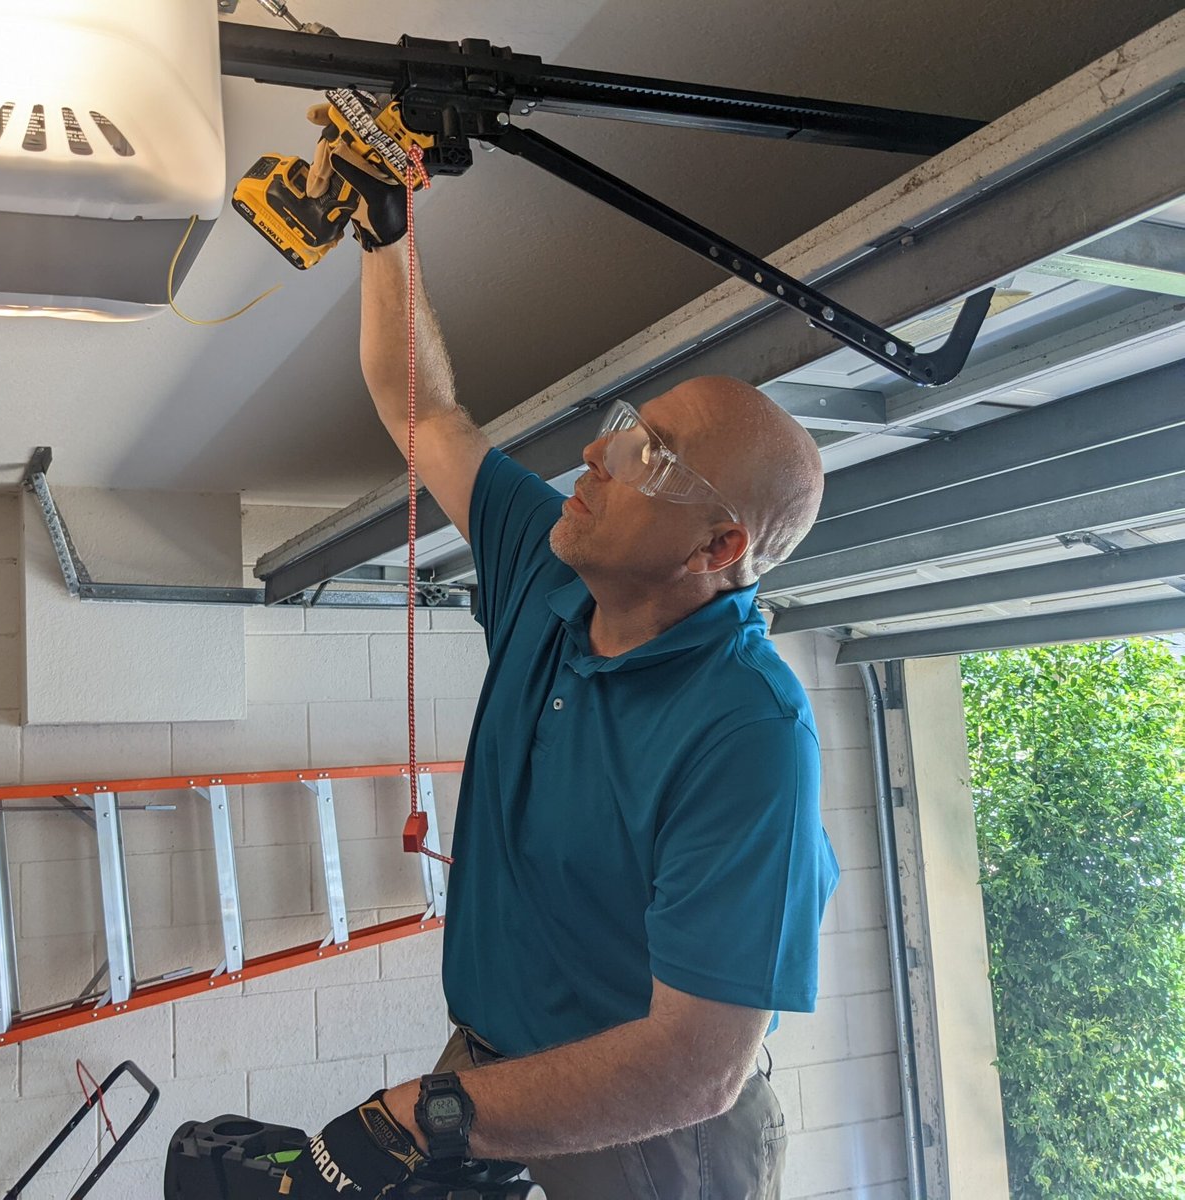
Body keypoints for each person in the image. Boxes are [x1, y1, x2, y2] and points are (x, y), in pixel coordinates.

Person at [284, 104, 838, 1200]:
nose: (597, 454)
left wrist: (421, 1116)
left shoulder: (747, 737)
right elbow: (427, 416)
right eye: (628, 429)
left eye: (653, 458)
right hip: (491, 1066)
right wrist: (387, 234)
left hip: (652, 1133)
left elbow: (693, 1069)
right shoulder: (551, 568)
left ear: (719, 547)